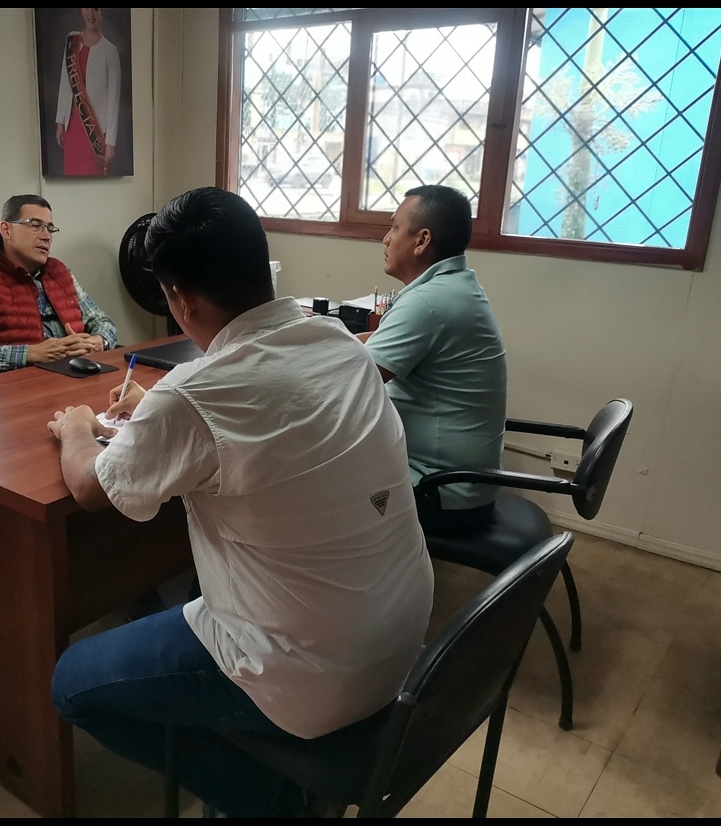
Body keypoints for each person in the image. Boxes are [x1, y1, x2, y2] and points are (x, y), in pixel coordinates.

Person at [46, 187, 433, 817]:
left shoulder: (191, 393)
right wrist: (159, 414)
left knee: (71, 684)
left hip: (308, 673)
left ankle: (268, 801)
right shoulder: (338, 341)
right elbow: (270, 418)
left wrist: (76, 429)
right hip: (401, 639)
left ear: (180, 299)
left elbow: (91, 488)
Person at [364, 184, 508, 535]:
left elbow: (352, 381)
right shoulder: (453, 287)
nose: (386, 238)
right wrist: (320, 337)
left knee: (311, 484)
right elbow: (373, 346)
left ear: (422, 240)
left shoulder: (428, 303)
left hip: (438, 490)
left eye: (394, 227)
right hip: (457, 482)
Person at [0, 194, 117, 376]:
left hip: (78, 376)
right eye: (35, 225)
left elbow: (103, 322)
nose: (46, 236)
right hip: (24, 384)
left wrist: (98, 341)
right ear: (6, 230)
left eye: (50, 229)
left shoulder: (60, 272)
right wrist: (30, 354)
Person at [55, 8, 121, 176]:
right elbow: (65, 82)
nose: (91, 14)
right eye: (87, 8)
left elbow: (114, 100)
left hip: (95, 133)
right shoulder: (72, 40)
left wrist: (110, 142)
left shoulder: (110, 51)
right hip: (71, 130)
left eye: (96, 9)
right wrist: (60, 122)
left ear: (101, 12)